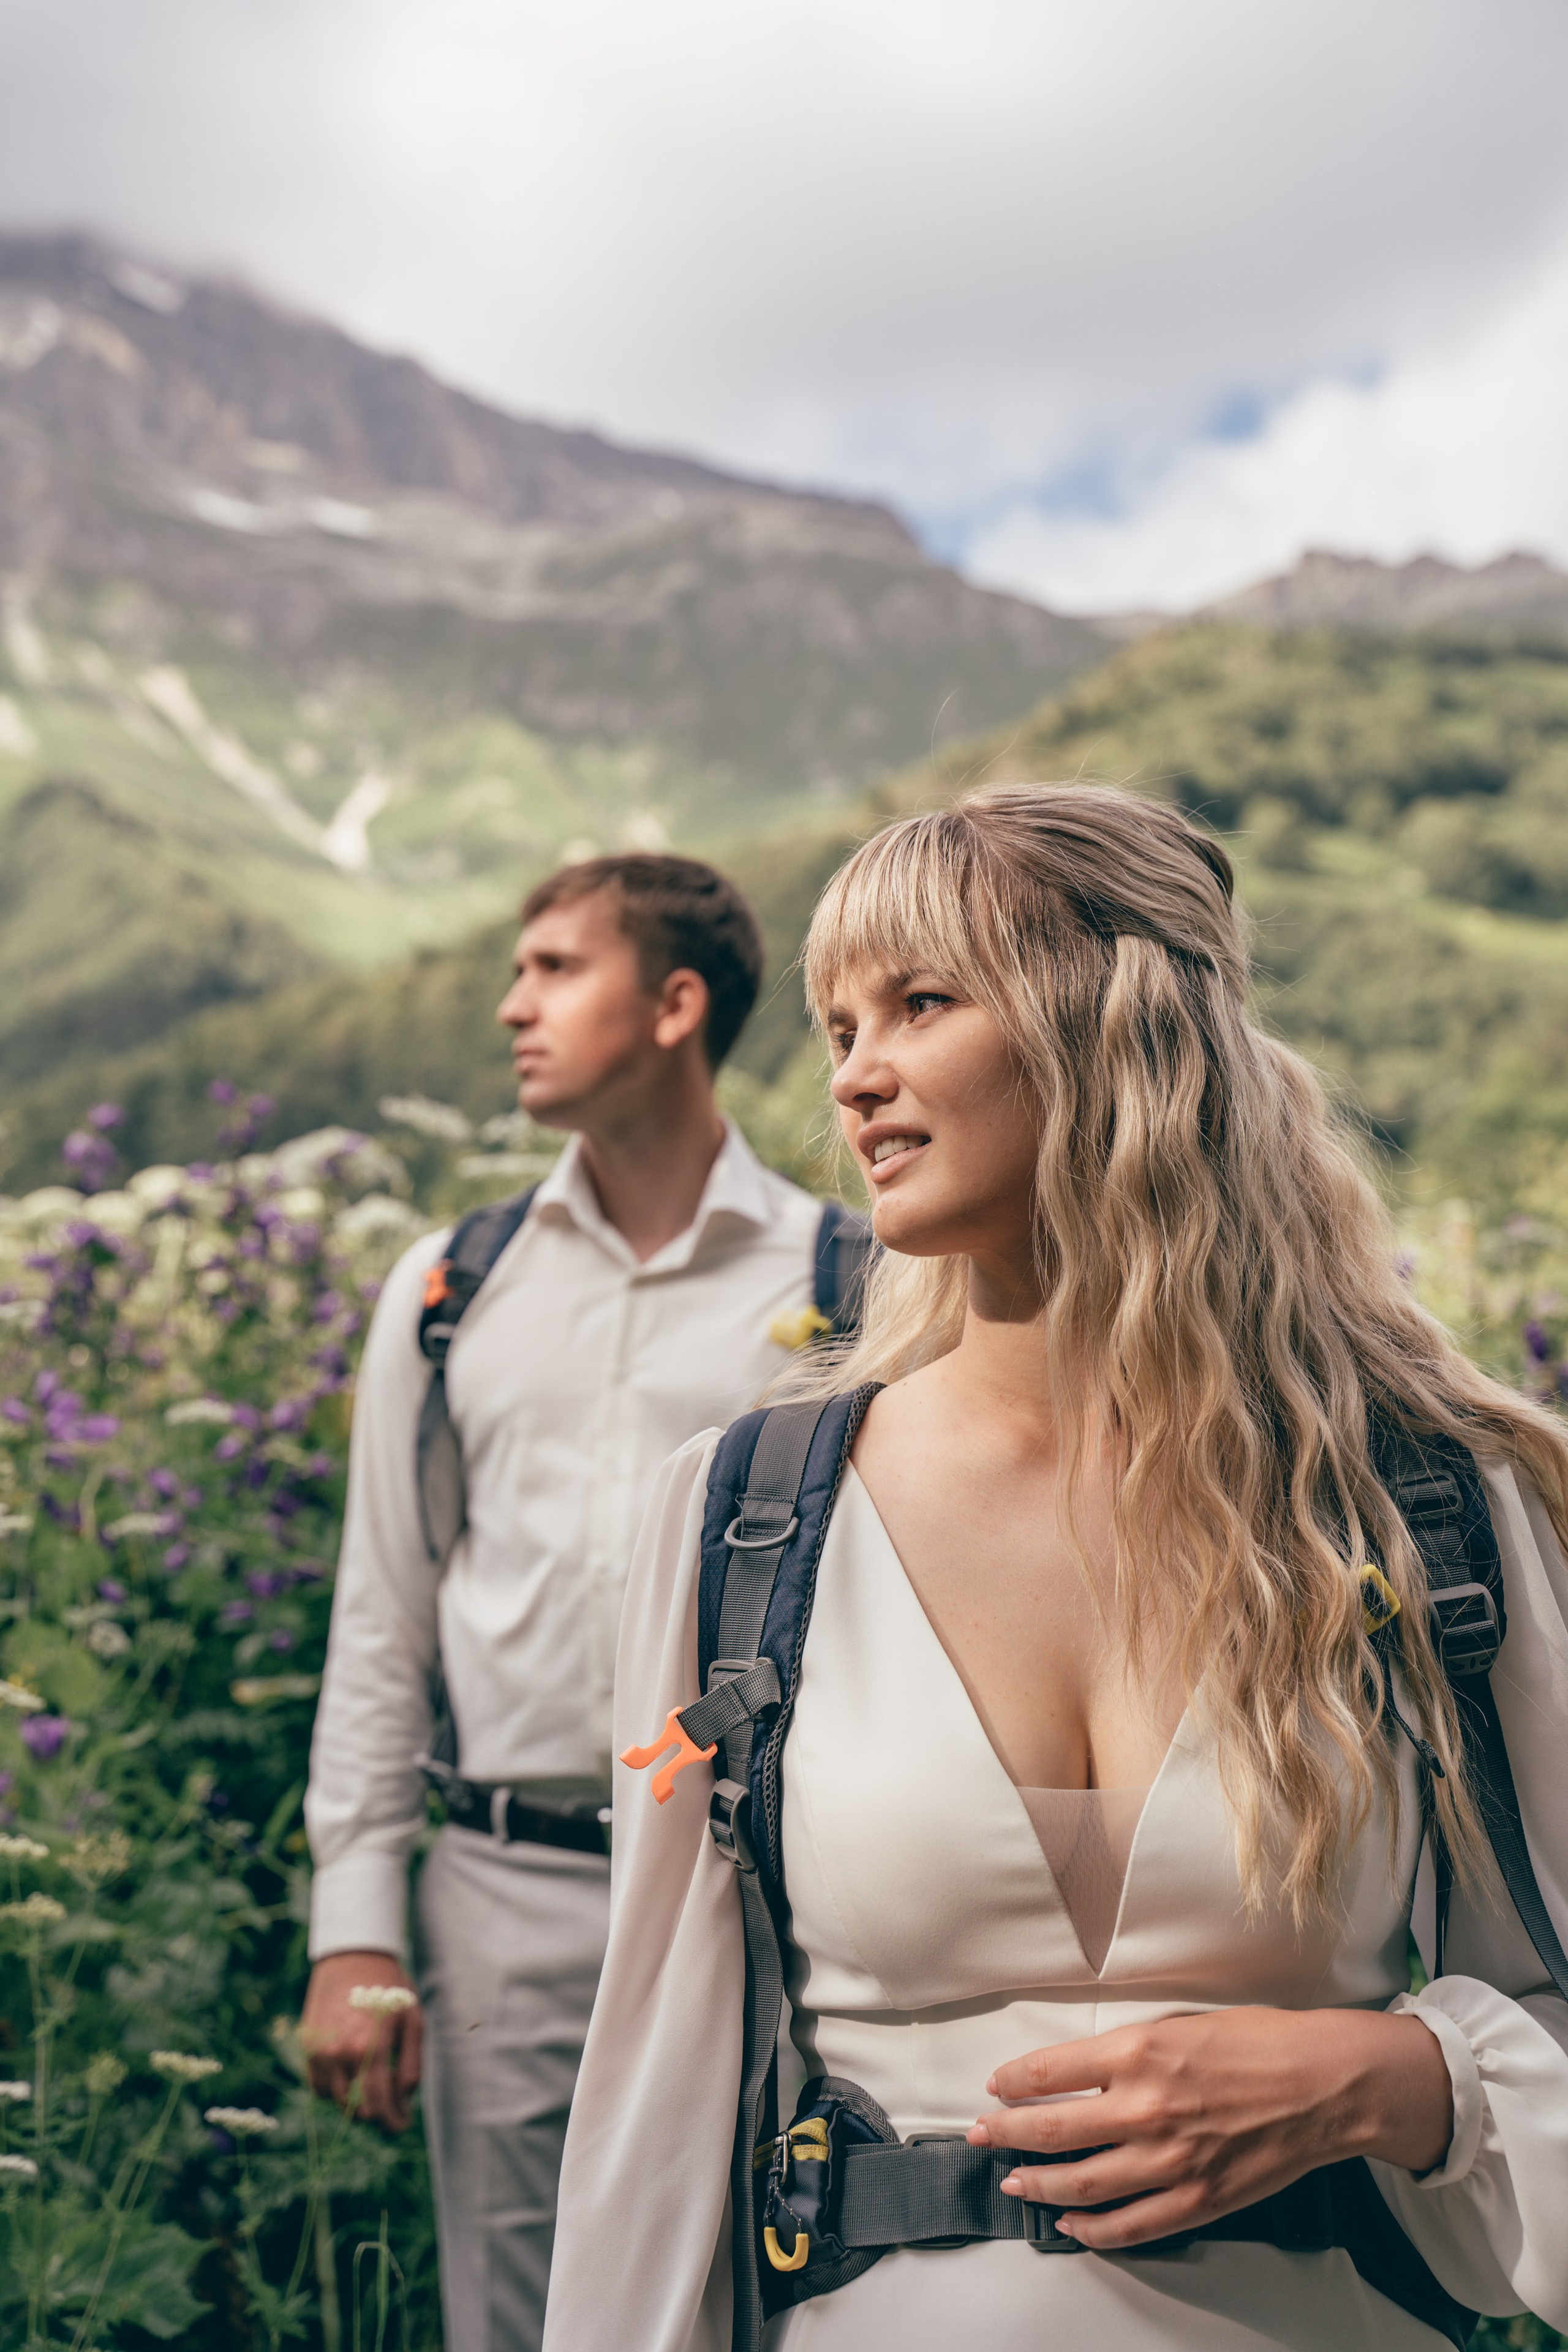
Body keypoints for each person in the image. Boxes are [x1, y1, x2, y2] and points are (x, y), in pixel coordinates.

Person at [543, 785, 1568, 2352]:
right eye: (837, 1027)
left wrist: (1397, 2081)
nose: (855, 1079)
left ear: (1119, 1033)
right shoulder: (747, 1518)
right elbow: (656, 2108)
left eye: (920, 1003)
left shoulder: (1423, 1500)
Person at [301, 853, 850, 2352]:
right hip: (502, 1893)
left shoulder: (847, 1282)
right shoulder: (450, 1288)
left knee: (774, 2296)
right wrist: (354, 1928)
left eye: (554, 970)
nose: (510, 1007)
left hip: (763, 1892)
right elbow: (383, 1613)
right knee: (516, 2322)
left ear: (676, 1004)